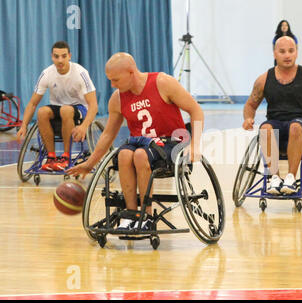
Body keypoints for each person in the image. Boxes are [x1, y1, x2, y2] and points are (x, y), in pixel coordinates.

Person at [67, 52, 204, 231]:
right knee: (124, 154)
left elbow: (196, 111)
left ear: (131, 72)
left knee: (140, 155)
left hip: (171, 142)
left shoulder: (162, 83)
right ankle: (131, 215)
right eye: (110, 80)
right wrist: (90, 163)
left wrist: (195, 144)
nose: (112, 85)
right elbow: (108, 134)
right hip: (141, 143)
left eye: (115, 80)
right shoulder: (117, 98)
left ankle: (146, 216)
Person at [242, 36, 302, 195]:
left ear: (296, 53)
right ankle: (275, 178)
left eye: (291, 51)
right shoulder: (264, 79)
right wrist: (248, 118)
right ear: (274, 54)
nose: (287, 55)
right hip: (276, 122)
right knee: (265, 128)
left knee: (295, 126)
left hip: (301, 124)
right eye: (282, 51)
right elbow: (250, 104)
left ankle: (291, 177)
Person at [17, 41, 98, 171]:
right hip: (58, 107)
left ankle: (66, 156)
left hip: (79, 108)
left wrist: (84, 126)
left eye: (63, 56)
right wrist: (24, 125)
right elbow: (32, 103)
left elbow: (93, 105)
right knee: (42, 111)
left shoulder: (80, 73)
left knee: (66, 110)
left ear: (69, 56)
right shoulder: (47, 73)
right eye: (56, 56)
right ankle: (51, 157)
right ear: (52, 57)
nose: (60, 60)